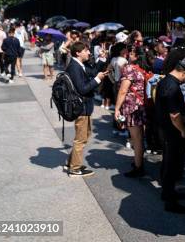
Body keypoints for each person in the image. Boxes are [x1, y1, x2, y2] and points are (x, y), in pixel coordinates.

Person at [155, 57, 185, 213]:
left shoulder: (166, 81)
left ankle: (169, 193)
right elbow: (174, 115)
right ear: (184, 73)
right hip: (172, 132)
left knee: (169, 163)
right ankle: (170, 202)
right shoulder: (172, 86)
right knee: (171, 165)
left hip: (167, 130)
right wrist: (183, 130)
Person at [65, 42, 108, 177]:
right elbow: (82, 89)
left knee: (84, 136)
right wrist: (97, 80)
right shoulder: (74, 67)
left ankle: (71, 162)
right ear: (78, 53)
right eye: (86, 50)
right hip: (81, 108)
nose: (89, 53)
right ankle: (75, 169)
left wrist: (101, 60)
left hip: (84, 108)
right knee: (81, 139)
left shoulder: (79, 64)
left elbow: (93, 72)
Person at [115, 46, 152, 177]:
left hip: (132, 108)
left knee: (137, 139)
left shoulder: (130, 69)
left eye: (131, 54)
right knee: (140, 137)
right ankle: (139, 162)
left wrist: (117, 108)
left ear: (136, 56)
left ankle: (138, 167)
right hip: (141, 106)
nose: (128, 55)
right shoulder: (143, 69)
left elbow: (123, 90)